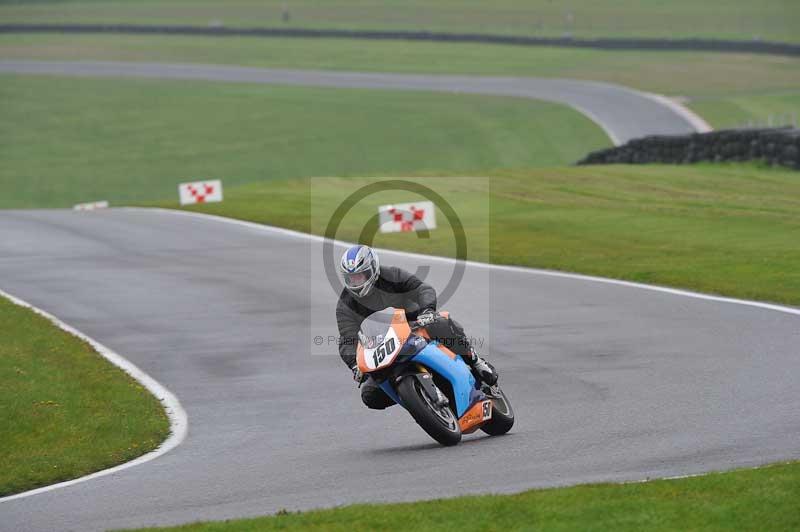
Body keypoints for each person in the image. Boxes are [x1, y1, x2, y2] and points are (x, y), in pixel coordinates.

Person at [335, 244, 498, 410]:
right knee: (370, 395)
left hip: (413, 326)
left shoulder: (392, 275)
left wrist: (426, 310)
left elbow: (422, 289)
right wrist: (355, 365)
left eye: (361, 276)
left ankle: (476, 361)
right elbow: (347, 339)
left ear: (373, 269)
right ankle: (419, 401)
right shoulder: (345, 305)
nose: (356, 282)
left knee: (440, 323)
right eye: (351, 278)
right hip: (382, 349)